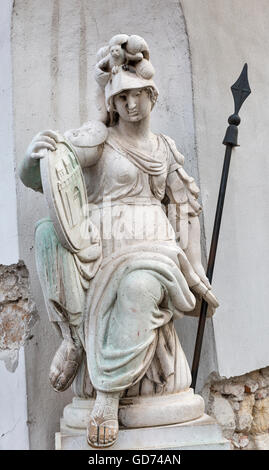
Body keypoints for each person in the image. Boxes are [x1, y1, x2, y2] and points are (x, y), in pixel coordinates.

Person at [19, 34, 218, 448]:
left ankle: (108, 396)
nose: (129, 105)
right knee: (46, 235)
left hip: (154, 251)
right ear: (111, 102)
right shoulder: (100, 138)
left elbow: (186, 210)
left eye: (137, 95)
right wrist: (32, 159)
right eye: (120, 98)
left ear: (152, 96)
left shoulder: (166, 150)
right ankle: (75, 342)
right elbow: (53, 176)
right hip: (99, 248)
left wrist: (196, 269)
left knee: (140, 287)